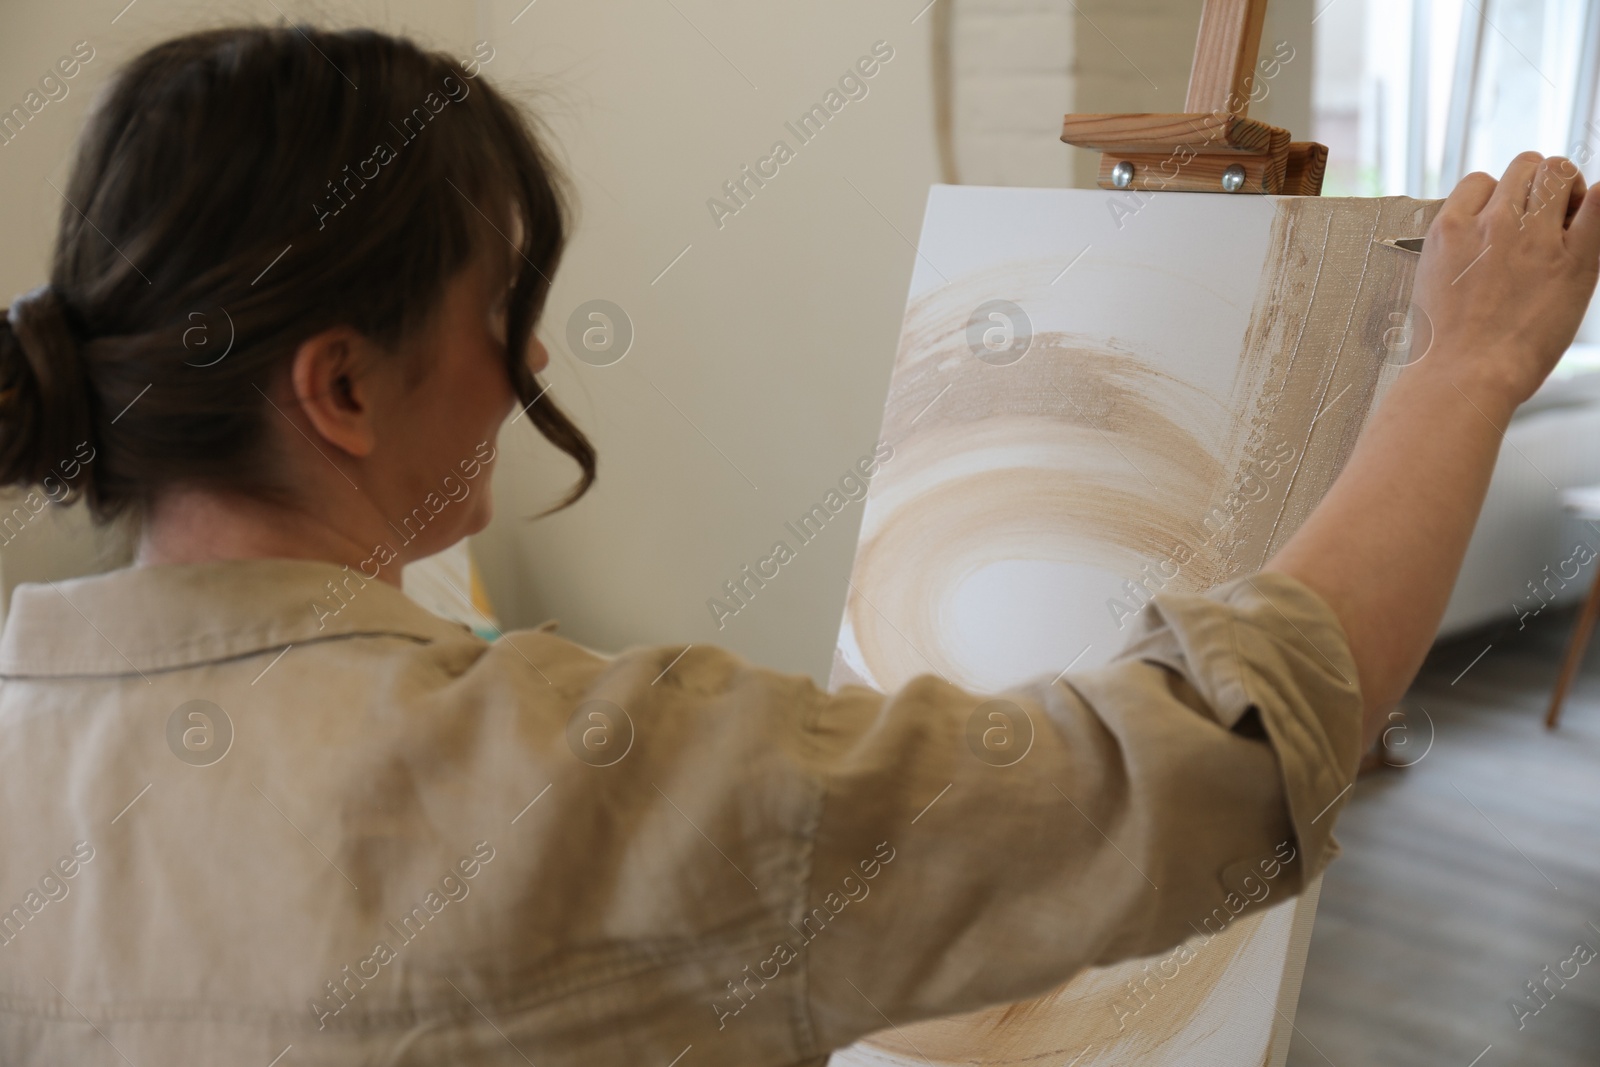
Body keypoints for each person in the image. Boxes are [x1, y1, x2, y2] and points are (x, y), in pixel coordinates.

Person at [0, 24, 1593, 1067]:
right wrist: (1464, 371)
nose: (532, 366)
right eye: (499, 309)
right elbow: (1203, 771)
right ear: (341, 386)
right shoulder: (566, 774)